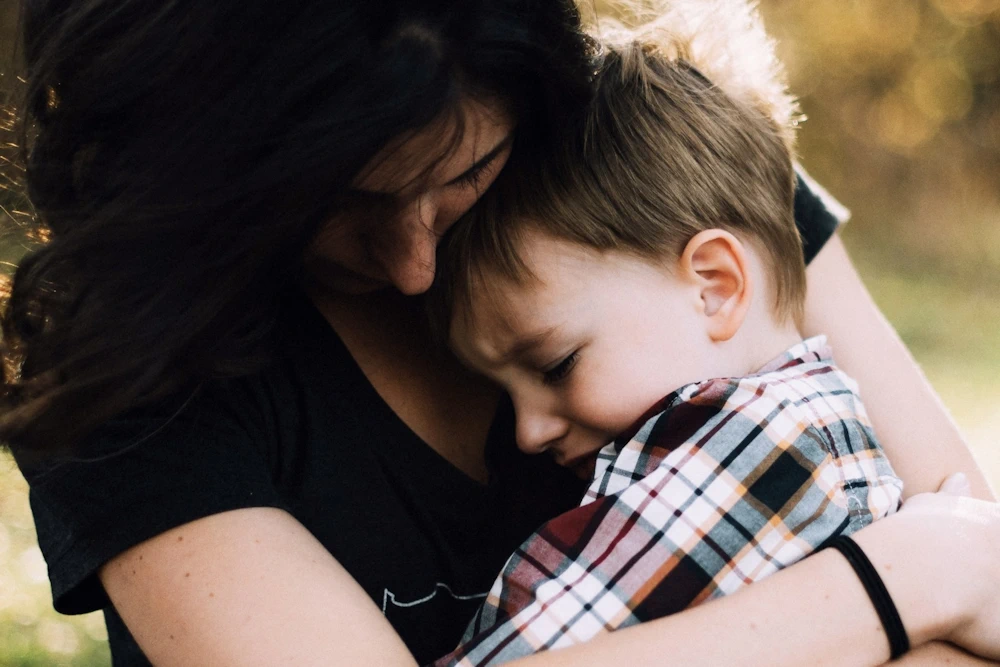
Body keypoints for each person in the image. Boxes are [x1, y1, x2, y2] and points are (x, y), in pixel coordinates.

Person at [0, 1, 997, 665]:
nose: (412, 267)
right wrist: (898, 581)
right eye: (334, 204)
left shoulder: (652, 165)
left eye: (463, 176)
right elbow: (960, 567)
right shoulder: (123, 361)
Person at [430, 12, 908, 662]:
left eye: (555, 364)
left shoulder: (756, 450)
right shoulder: (819, 425)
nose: (526, 432)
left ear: (714, 286)